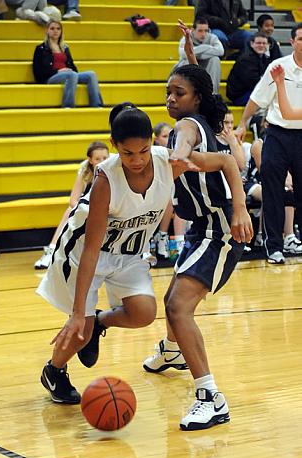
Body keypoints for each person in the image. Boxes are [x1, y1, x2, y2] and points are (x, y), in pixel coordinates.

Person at [37, 101, 249, 407]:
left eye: (144, 150)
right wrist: (77, 312)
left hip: (130, 253)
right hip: (84, 252)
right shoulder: (104, 181)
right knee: (79, 328)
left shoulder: (169, 162)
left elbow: (228, 163)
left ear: (153, 143)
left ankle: (99, 323)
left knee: (143, 313)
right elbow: (92, 250)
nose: (137, 160)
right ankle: (54, 370)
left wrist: (240, 208)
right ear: (114, 147)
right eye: (127, 153)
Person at [142, 61, 253, 431]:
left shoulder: (187, 127)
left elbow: (222, 160)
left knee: (178, 306)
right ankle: (173, 351)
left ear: (196, 98)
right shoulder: (206, 122)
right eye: (168, 92)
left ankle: (211, 397)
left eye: (179, 93)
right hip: (200, 227)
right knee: (171, 298)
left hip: (219, 231)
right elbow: (219, 157)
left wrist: (240, 209)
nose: (170, 99)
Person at [236, 23, 302, 264]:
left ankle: (295, 239)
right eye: (301, 39)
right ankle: (274, 246)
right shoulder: (278, 67)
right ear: (292, 42)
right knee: (273, 190)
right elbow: (256, 98)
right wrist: (243, 123)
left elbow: (290, 111)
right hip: (277, 135)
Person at [34, 141, 109, 270]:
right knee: (70, 210)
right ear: (90, 160)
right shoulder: (85, 170)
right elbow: (73, 200)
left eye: (104, 158)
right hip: (89, 208)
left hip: (109, 209)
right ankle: (51, 251)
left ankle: (141, 252)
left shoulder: (114, 168)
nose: (102, 161)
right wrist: (88, 210)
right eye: (97, 159)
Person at [33, 20, 103, 108]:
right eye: (52, 29)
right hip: (50, 77)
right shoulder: (41, 48)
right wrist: (58, 71)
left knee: (91, 74)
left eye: (58, 29)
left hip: (68, 74)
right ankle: (68, 106)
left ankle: (96, 105)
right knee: (71, 75)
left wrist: (69, 71)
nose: (55, 31)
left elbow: (72, 67)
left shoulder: (65, 48)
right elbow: (38, 71)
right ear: (47, 30)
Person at [153, 122, 187, 259]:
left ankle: (179, 241)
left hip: (171, 194)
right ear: (156, 139)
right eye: (165, 136)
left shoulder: (176, 154)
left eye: (171, 136)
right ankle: (161, 236)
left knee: (180, 197)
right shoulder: (152, 153)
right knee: (169, 199)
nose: (168, 139)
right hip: (153, 193)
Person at [177, 17, 224, 94]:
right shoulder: (187, 37)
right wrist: (205, 47)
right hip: (189, 68)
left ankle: (212, 94)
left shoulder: (212, 37)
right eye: (200, 31)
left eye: (206, 31)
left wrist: (196, 53)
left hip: (205, 68)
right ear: (193, 30)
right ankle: (184, 93)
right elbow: (183, 54)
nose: (203, 34)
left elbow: (221, 51)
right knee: (186, 60)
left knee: (215, 59)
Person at [226, 32, 270, 106]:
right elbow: (254, 82)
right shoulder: (246, 60)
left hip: (251, 92)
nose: (261, 45)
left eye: (264, 43)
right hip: (241, 96)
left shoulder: (263, 58)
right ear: (252, 44)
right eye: (258, 43)